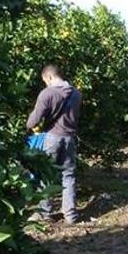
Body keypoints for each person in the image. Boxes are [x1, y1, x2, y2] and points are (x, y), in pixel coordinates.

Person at [26, 64, 83, 224]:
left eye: (45, 80)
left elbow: (33, 121)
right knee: (68, 175)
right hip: (70, 138)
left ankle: (45, 213)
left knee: (47, 176)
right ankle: (70, 215)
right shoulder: (77, 94)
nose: (45, 84)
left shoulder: (47, 93)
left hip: (52, 138)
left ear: (49, 77)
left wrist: (28, 125)